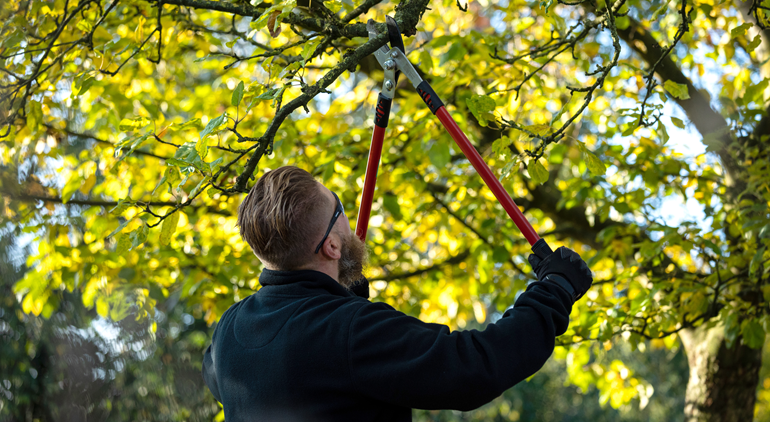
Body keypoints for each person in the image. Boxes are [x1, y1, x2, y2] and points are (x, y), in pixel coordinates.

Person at [202, 166, 592, 422]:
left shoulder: (228, 334)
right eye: (339, 209)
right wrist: (553, 292)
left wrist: (338, 301)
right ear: (331, 248)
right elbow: (473, 367)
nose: (348, 219)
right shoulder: (351, 331)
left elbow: (243, 374)